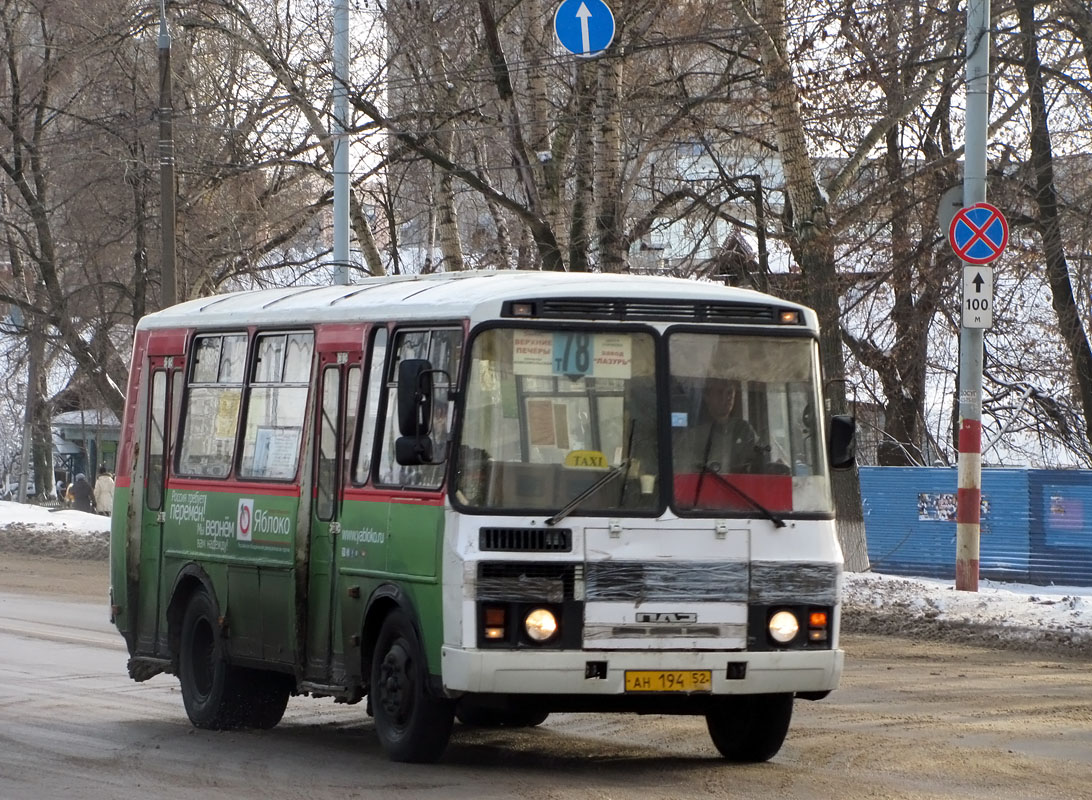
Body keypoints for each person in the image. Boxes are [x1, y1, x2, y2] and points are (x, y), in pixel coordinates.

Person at [675, 378, 762, 474]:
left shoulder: (744, 430)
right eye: (720, 392)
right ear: (706, 396)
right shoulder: (692, 435)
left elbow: (758, 464)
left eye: (729, 393)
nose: (726, 398)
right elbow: (682, 473)